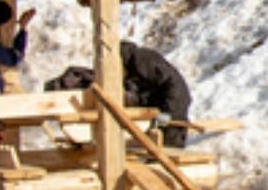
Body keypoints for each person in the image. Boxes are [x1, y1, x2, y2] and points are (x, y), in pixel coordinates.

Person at [46, 41, 193, 148]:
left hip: (172, 124)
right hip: (154, 124)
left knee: (165, 163)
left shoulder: (142, 59)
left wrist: (169, 114)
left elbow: (177, 87)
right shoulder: (131, 71)